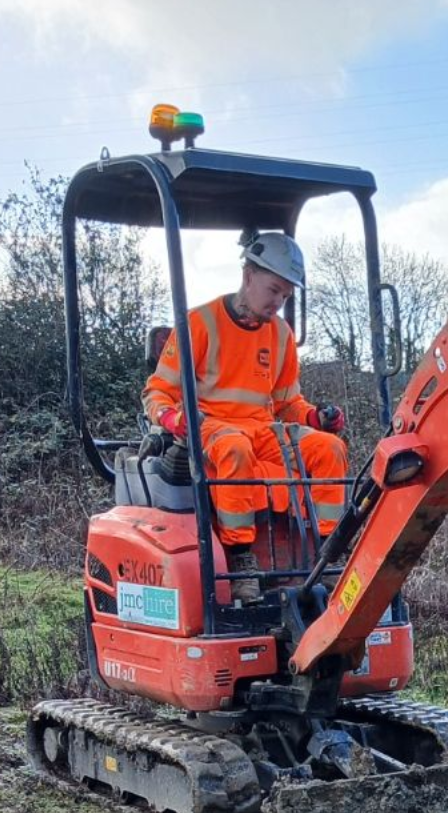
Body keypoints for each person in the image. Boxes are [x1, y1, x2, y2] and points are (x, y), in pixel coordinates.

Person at [141, 231, 347, 603]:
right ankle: (241, 563)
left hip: (261, 429)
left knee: (328, 448)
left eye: (286, 296)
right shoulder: (198, 325)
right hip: (209, 428)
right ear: (249, 275)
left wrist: (316, 417)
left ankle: (327, 555)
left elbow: (289, 405)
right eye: (273, 290)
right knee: (236, 449)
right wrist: (171, 419)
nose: (278, 303)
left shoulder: (281, 335)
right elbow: (158, 392)